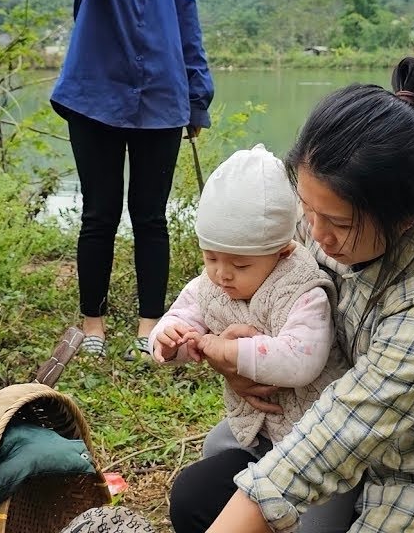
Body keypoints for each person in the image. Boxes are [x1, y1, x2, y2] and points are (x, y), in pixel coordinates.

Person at [169, 57, 414, 533]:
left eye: (339, 224)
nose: (314, 234)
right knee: (197, 498)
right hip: (339, 439)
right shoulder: (324, 222)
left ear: (404, 218)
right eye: (308, 210)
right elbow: (274, 304)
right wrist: (245, 359)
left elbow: (347, 428)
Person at [51, 0, 213, 361]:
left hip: (163, 97)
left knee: (150, 215)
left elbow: (185, 17)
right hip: (94, 95)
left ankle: (150, 327)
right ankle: (93, 327)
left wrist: (196, 96)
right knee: (99, 213)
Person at [149, 144, 359, 530]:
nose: (222, 274)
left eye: (239, 264)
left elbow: (299, 361)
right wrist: (168, 339)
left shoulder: (302, 291)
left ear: (281, 252)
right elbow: (182, 318)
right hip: (262, 425)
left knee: (318, 520)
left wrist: (227, 350)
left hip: (317, 437)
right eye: (211, 258)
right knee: (215, 449)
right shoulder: (210, 285)